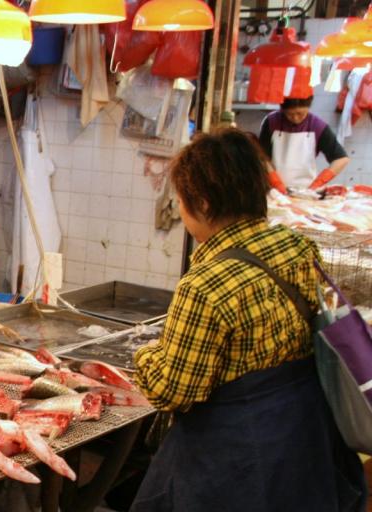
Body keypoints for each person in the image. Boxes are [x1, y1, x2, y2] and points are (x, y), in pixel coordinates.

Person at [131, 129, 366, 511]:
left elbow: (173, 391)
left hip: (231, 460)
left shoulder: (205, 286)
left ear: (203, 203)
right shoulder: (297, 247)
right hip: (303, 435)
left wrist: (144, 357)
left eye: (182, 199)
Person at [258, 95, 350, 193]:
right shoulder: (271, 122)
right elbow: (262, 157)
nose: (295, 118)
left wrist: (318, 182)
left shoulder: (318, 126)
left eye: (300, 114)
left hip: (306, 190)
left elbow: (341, 159)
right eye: (289, 114)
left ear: (308, 108)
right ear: (282, 109)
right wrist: (276, 182)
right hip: (274, 190)